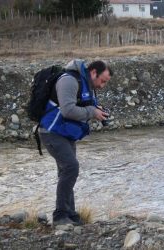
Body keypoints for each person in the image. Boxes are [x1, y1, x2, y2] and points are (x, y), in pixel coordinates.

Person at [39, 59, 112, 226]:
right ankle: (60, 216)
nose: (102, 85)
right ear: (93, 72)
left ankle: (71, 215)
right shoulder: (69, 80)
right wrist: (92, 112)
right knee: (71, 167)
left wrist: (96, 110)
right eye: (103, 81)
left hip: (65, 133)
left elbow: (83, 106)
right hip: (51, 132)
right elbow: (68, 110)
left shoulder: (87, 84)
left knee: (66, 171)